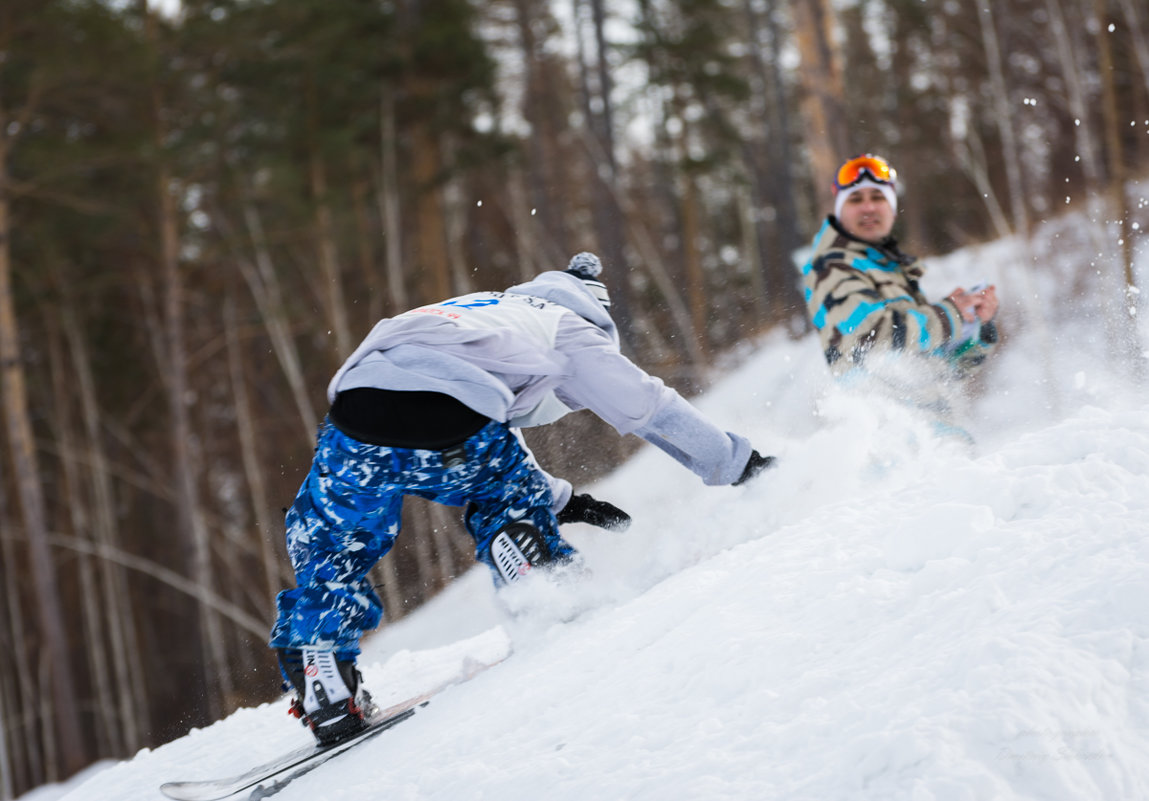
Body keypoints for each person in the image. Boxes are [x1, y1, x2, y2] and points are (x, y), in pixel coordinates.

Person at [269, 252, 775, 746]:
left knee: (332, 540)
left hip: (355, 422)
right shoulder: (573, 330)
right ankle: (535, 572)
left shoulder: (480, 306)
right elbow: (648, 407)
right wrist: (738, 464)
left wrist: (560, 498)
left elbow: (488, 418)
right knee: (504, 497)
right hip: (453, 420)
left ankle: (324, 674)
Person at [800, 154, 1000, 419]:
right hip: (888, 436)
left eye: (878, 197)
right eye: (855, 199)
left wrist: (972, 325)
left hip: (934, 431)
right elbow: (871, 341)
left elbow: (940, 370)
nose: (868, 207)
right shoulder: (832, 266)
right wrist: (947, 315)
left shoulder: (888, 270)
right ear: (839, 210)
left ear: (892, 208)